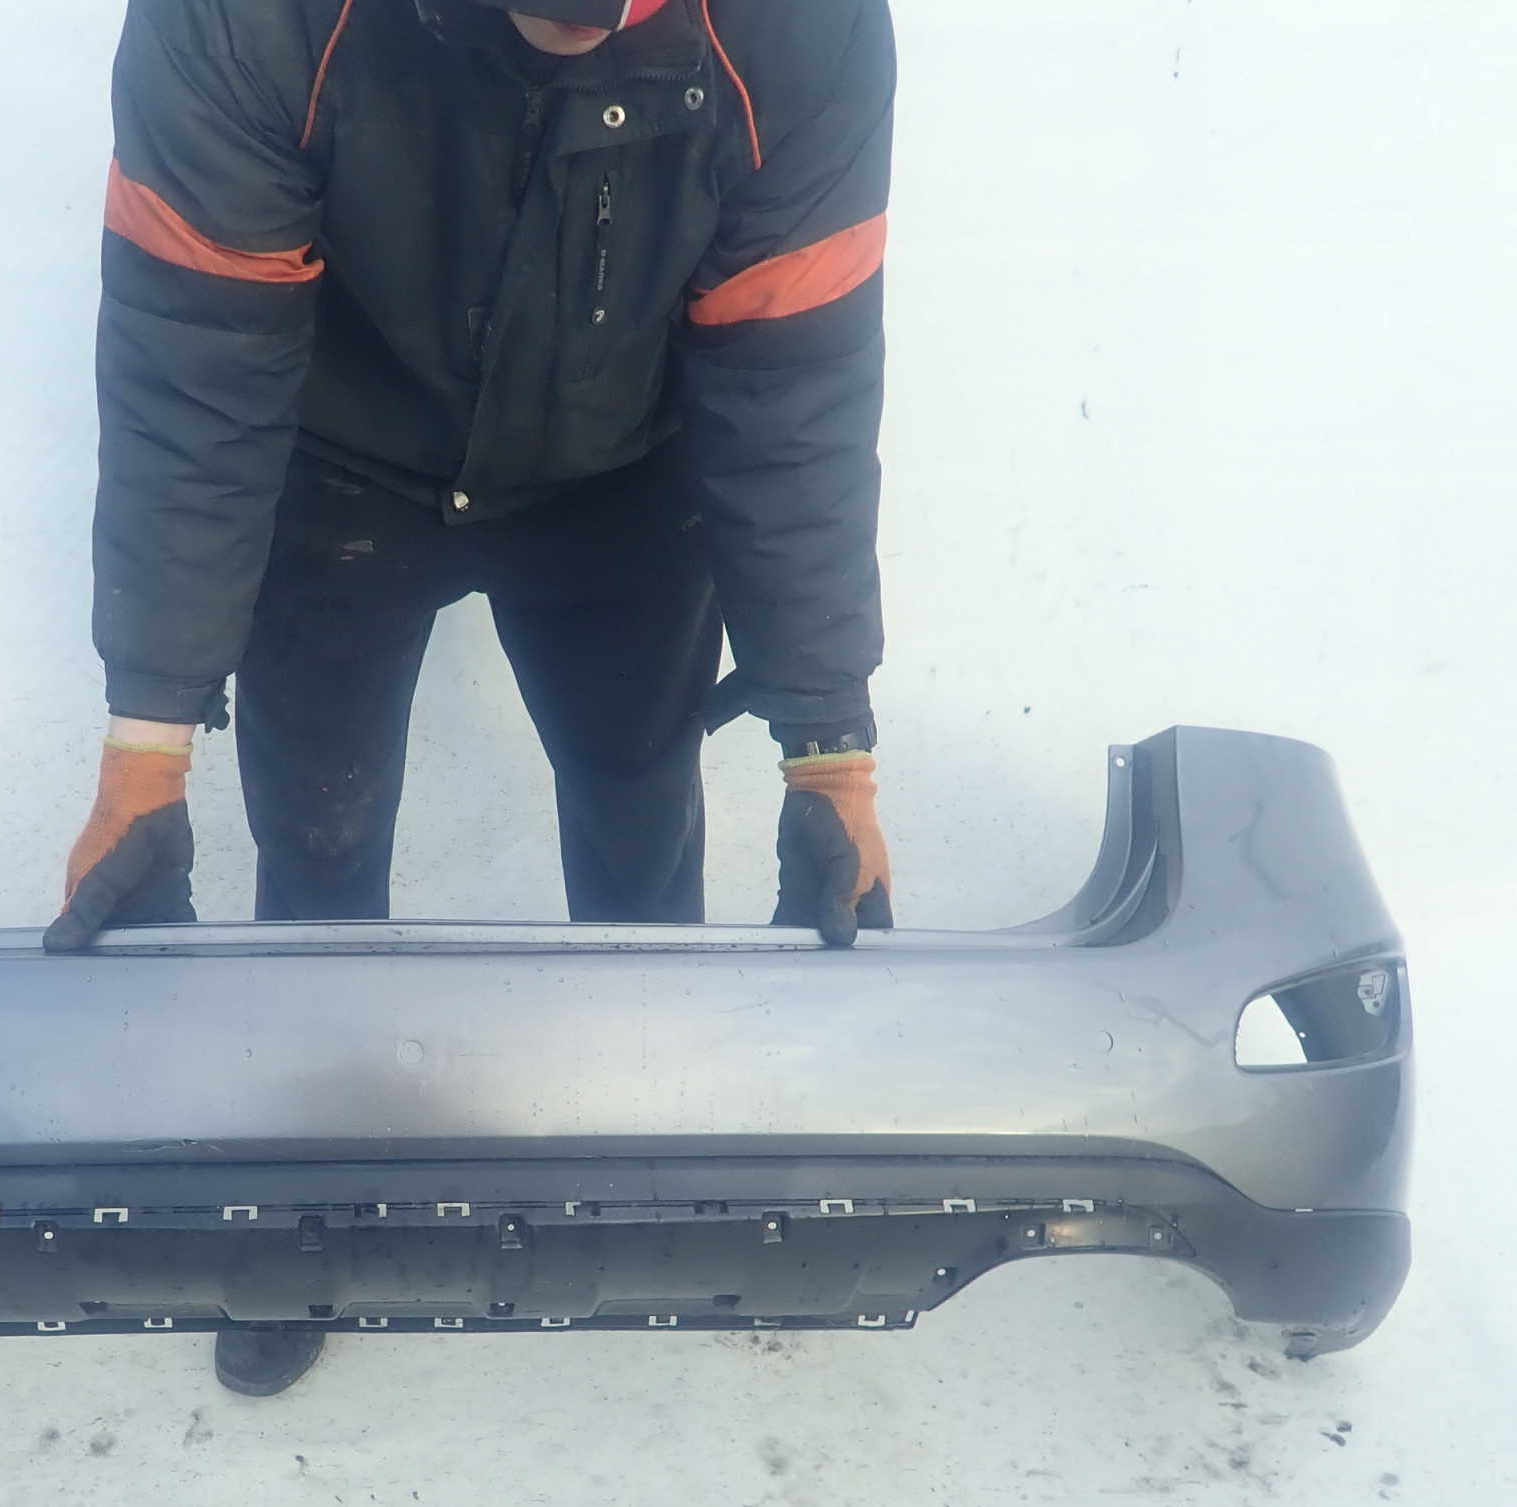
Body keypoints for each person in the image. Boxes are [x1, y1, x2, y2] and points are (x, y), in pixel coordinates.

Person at [50, 0, 899, 1396]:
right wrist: (146, 751)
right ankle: (311, 1203)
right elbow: (194, 366)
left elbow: (795, 380)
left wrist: (831, 756)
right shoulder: (250, 21)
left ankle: (646, 1156)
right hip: (342, 457)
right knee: (317, 835)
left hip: (626, 466)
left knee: (636, 802)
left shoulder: (795, 28)